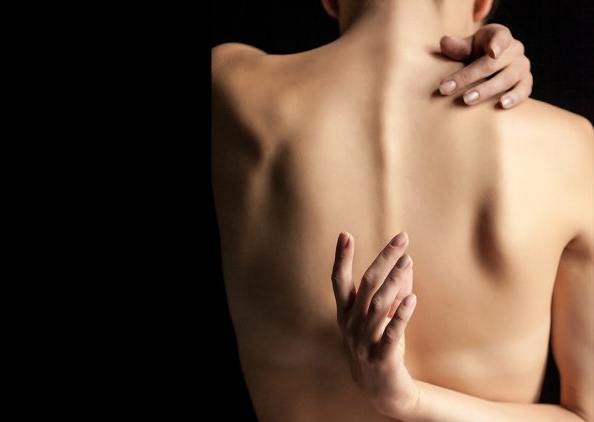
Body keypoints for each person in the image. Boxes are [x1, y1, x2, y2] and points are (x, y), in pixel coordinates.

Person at [211, 0, 593, 421]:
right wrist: (411, 402)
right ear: (482, 5)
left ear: (330, 2)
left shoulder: (232, 92)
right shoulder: (570, 149)